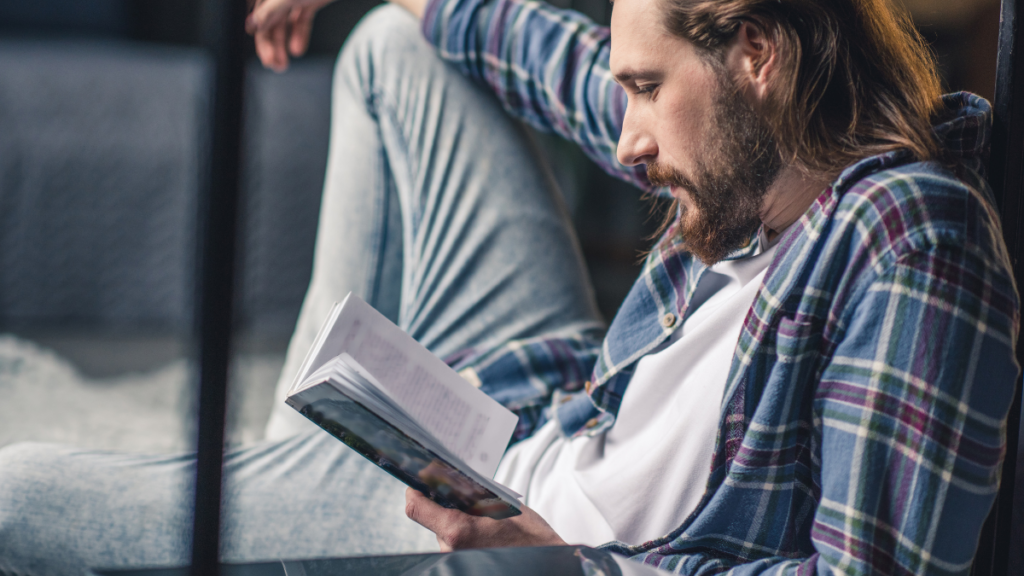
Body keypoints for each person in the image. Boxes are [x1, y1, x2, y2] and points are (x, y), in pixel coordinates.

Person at [0, 0, 1017, 573]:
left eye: (648, 90)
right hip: (538, 421)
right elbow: (563, 69)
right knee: (399, 45)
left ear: (757, 52)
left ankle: (296, 500)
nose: (625, 138)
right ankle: (297, 460)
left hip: (532, 543)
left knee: (19, 494)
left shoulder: (906, 237)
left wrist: (563, 556)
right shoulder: (759, 166)